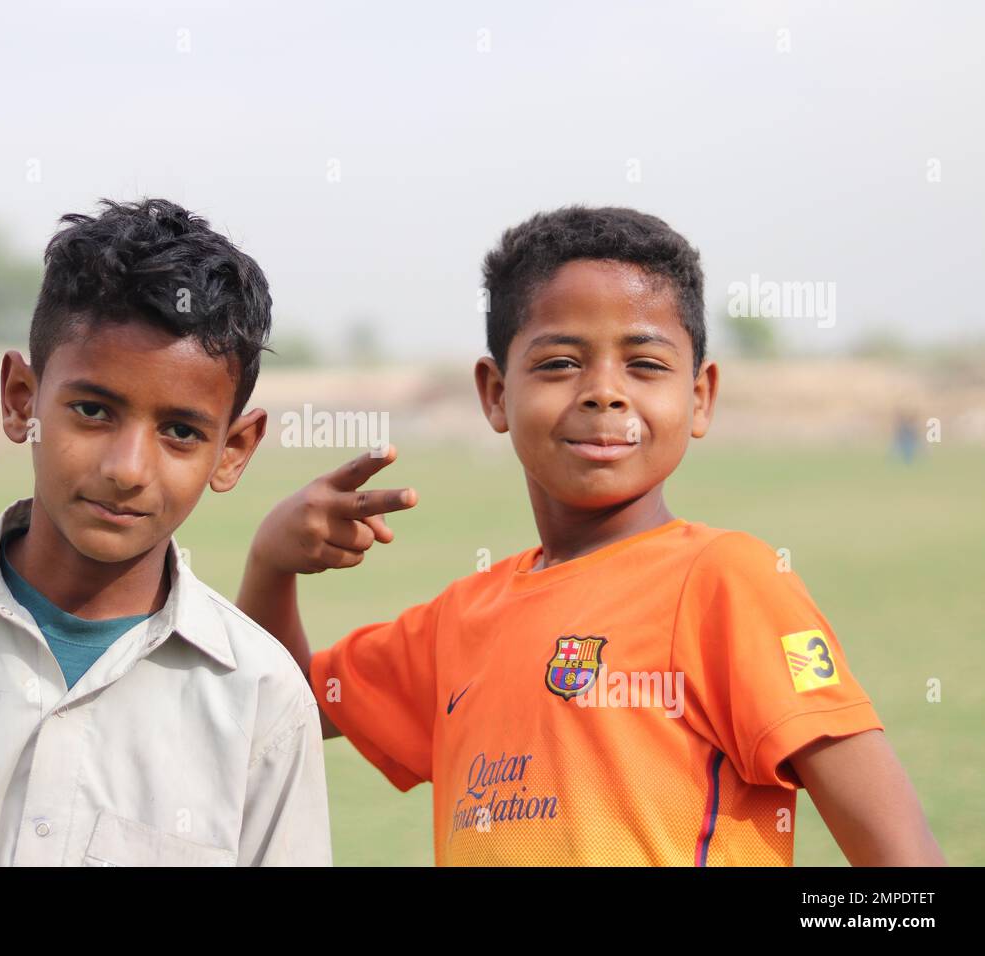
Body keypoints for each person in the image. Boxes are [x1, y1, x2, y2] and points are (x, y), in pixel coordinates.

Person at [237, 206, 944, 866]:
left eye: (644, 364)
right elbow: (281, 703)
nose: (605, 392)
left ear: (699, 397)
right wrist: (272, 561)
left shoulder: (727, 581)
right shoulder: (459, 622)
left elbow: (903, 863)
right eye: (560, 363)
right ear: (494, 394)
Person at [0, 198, 331, 866]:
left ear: (233, 451)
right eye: (93, 411)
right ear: (22, 399)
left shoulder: (261, 698)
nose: (127, 470)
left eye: (180, 432)